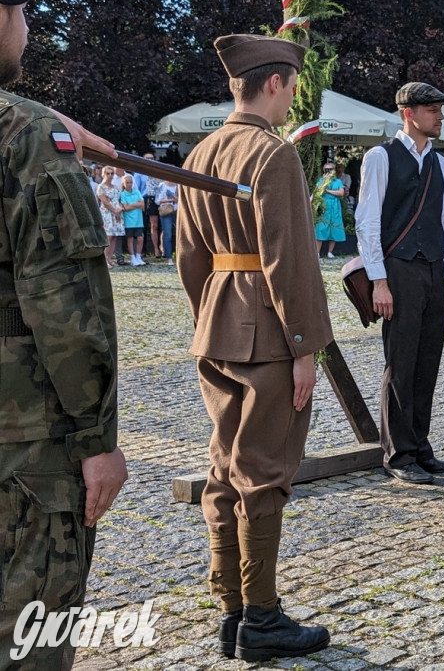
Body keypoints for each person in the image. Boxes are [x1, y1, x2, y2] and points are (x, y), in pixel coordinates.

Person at [176, 34, 334, 662]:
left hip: (217, 322)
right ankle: (262, 619)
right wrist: (305, 347)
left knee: (223, 470)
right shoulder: (273, 155)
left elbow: (189, 257)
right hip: (268, 331)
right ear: (274, 83)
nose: (293, 95)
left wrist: (209, 316)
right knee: (263, 473)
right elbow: (290, 259)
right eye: (292, 84)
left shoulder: (204, 150)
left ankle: (231, 612)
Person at [0, 0, 127, 669]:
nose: (27, 32)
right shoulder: (28, 143)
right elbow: (67, 309)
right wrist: (96, 440)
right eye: (19, 14)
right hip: (22, 453)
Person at [355, 82, 444, 484]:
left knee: (427, 362)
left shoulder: (440, 163)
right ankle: (398, 455)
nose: (440, 116)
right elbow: (367, 222)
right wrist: (379, 282)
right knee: (400, 363)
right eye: (433, 109)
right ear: (409, 113)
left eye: (440, 109)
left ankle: (420, 447)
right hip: (398, 269)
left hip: (433, 268)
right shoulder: (380, 157)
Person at [314, 161, 347, 258]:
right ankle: (317, 253)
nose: (328, 172)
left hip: (335, 207)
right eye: (326, 170)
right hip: (324, 206)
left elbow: (341, 193)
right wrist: (324, 182)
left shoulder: (338, 182)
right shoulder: (320, 181)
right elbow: (318, 192)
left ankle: (330, 252)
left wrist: (327, 191)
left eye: (330, 170)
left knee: (334, 228)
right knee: (321, 228)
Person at [96, 166, 124, 268]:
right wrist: (114, 210)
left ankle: (109, 258)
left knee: (114, 236)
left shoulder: (116, 187)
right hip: (107, 214)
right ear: (103, 174)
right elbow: (104, 201)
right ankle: (104, 260)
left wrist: (120, 209)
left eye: (112, 173)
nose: (110, 175)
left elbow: (120, 200)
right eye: (107, 173)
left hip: (117, 214)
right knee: (108, 237)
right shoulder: (101, 187)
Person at [119, 173, 147, 266]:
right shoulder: (123, 194)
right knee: (130, 239)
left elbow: (142, 205)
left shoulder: (137, 192)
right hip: (129, 220)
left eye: (130, 182)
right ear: (124, 184)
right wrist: (136, 204)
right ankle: (132, 257)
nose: (129, 184)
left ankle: (138, 256)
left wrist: (131, 205)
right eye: (127, 183)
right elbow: (125, 208)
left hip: (138, 220)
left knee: (140, 238)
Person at [155, 180, 177, 264]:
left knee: (180, 234)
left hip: (177, 211)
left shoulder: (178, 185)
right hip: (166, 212)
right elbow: (157, 200)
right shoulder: (162, 185)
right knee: (167, 235)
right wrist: (171, 200)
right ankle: (169, 257)